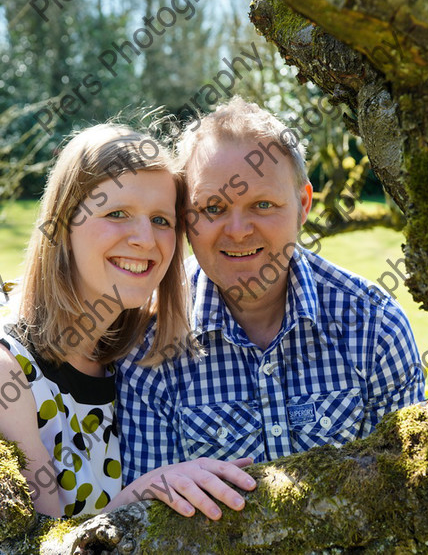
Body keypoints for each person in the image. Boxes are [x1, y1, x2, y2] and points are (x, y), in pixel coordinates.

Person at [116, 96, 426, 485]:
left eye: (262, 204)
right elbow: (149, 525)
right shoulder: (147, 343)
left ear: (303, 205)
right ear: (185, 220)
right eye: (213, 208)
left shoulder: (376, 327)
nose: (239, 230)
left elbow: (409, 496)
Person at [0, 123, 256, 520]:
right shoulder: (11, 374)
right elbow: (43, 544)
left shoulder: (136, 352)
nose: (144, 239)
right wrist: (147, 490)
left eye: (160, 219)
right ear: (64, 225)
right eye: (117, 213)